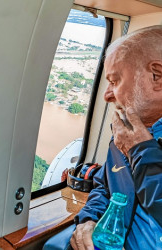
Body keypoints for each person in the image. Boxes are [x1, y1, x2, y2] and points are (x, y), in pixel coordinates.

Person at [70, 25, 162, 250]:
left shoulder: (134, 142)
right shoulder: (128, 132)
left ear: (157, 76)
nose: (107, 94)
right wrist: (89, 219)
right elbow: (106, 186)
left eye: (114, 80)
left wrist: (140, 150)